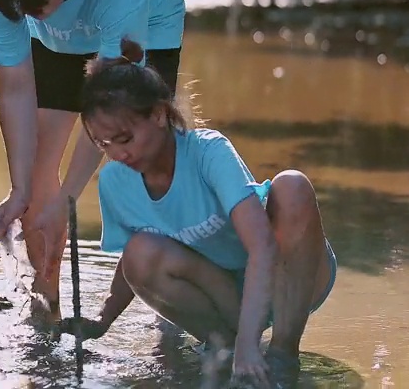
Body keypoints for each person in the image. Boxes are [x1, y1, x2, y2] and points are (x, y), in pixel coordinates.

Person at [58, 45, 337, 389]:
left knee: (292, 185)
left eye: (125, 139)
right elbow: (132, 262)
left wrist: (254, 347)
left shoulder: (209, 152)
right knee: (140, 251)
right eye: (104, 145)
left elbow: (263, 245)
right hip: (222, 293)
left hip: (286, 276)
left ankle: (281, 356)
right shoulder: (116, 181)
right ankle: (225, 346)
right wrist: (101, 320)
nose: (118, 153)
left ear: (159, 115)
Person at [0, 0, 186, 317]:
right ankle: (45, 300)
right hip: (56, 36)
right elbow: (16, 87)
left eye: (32, 6)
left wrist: (68, 199)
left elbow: (109, 109)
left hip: (147, 23)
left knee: (153, 159)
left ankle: (175, 303)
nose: (22, 13)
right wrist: (20, 190)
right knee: (38, 171)